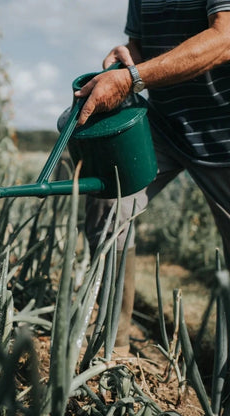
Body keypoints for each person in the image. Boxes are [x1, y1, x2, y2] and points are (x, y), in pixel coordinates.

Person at [74, 0, 230, 354]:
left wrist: (132, 79)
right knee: (110, 199)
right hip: (166, 125)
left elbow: (225, 38)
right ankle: (111, 348)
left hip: (224, 135)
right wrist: (127, 56)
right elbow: (141, 48)